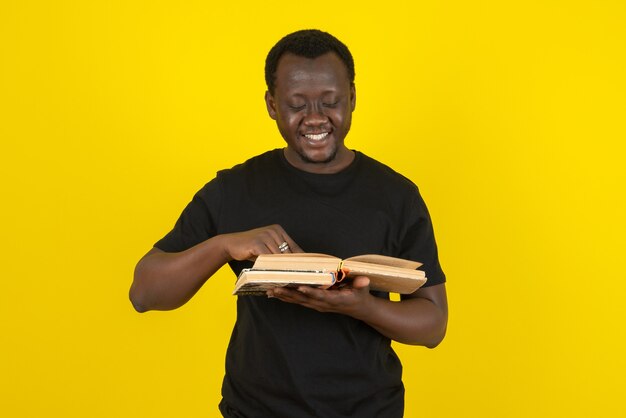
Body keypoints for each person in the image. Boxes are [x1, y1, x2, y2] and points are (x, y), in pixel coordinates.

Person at [130, 29, 448, 418]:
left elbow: (433, 325)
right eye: (297, 104)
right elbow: (144, 293)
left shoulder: (396, 195)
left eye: (330, 102)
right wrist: (223, 246)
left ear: (352, 98)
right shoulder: (234, 189)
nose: (315, 118)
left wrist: (359, 306)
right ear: (271, 104)